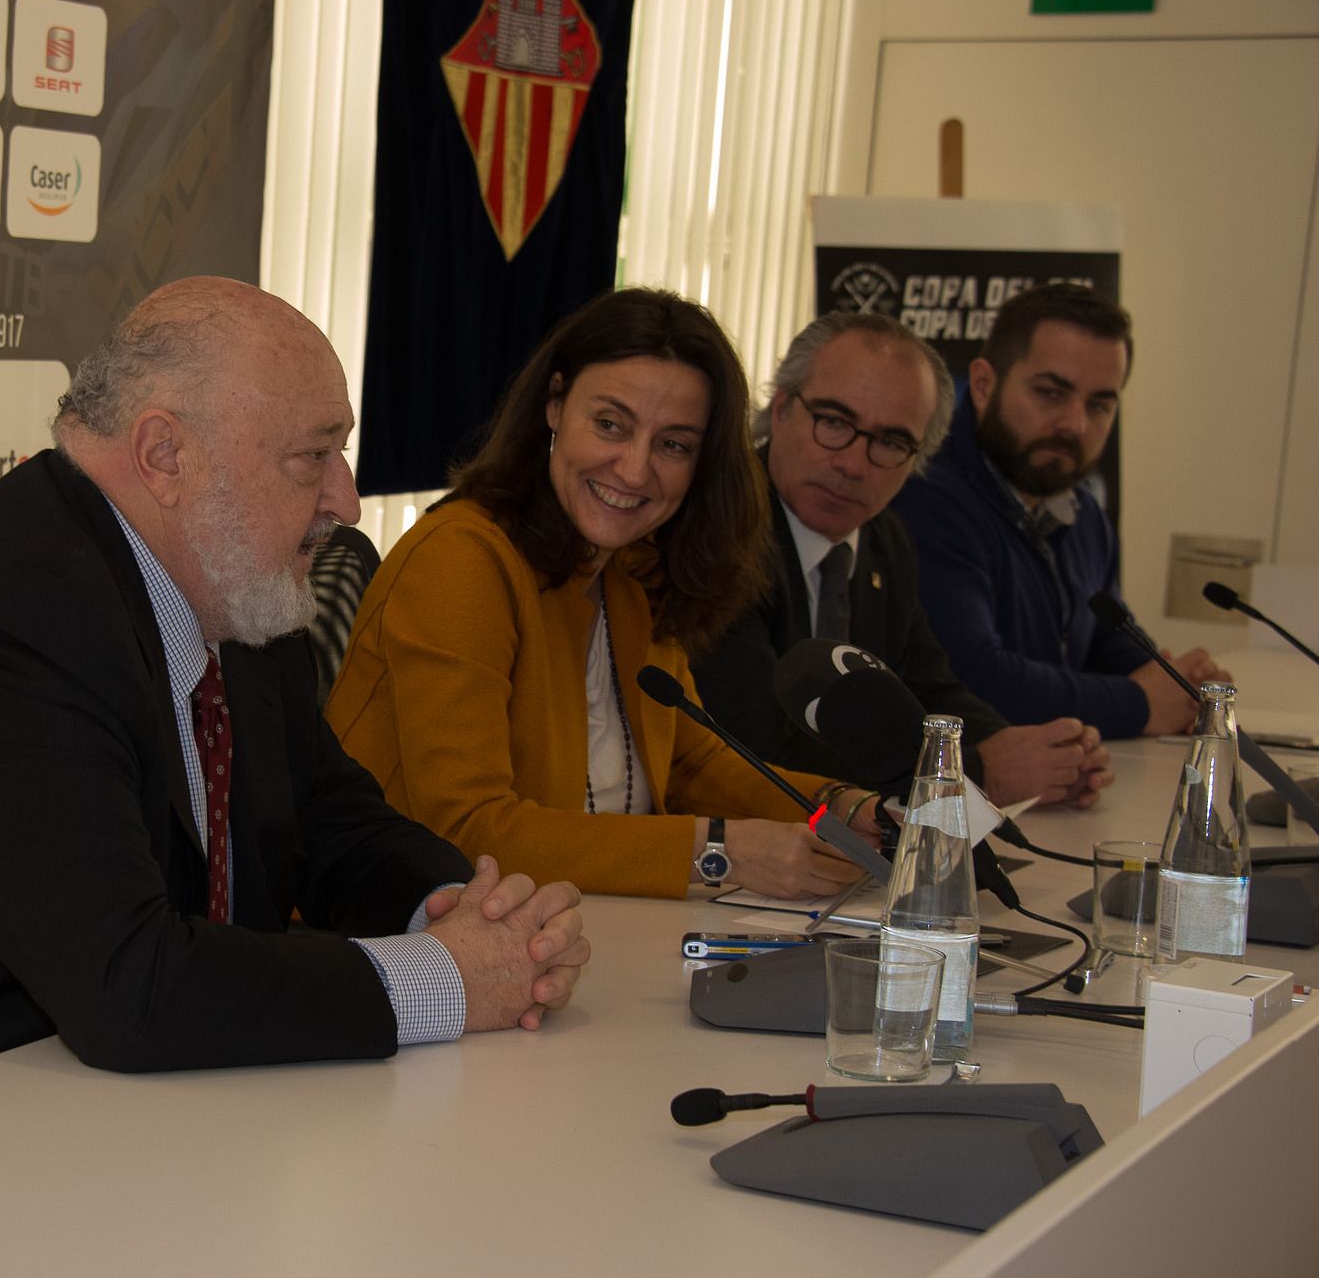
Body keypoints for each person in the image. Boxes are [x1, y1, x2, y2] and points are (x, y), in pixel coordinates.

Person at [0, 278, 590, 1132]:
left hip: (35, 1123)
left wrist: (463, 910)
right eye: (312, 455)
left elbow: (329, 822)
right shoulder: (2, 620)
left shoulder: (228, 586)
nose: (345, 495)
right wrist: (447, 982)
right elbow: (132, 983)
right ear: (165, 454)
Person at [326, 287, 877, 902]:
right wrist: (723, 853)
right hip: (398, 943)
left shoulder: (634, 569)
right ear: (555, 405)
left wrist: (840, 807)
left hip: (576, 929)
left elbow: (689, 764)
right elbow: (468, 829)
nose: (635, 469)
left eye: (673, 445)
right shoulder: (459, 560)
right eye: (611, 424)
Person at [692, 312, 1114, 808]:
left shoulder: (884, 539)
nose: (852, 465)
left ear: (918, 459)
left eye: (891, 442)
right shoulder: (718, 523)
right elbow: (759, 740)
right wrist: (977, 771)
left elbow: (929, 690)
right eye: (833, 422)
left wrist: (1041, 756)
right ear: (781, 407)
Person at [890, 283, 1225, 739]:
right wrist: (1140, 703)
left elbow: (1101, 640)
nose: (1076, 425)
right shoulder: (924, 498)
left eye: (1100, 404)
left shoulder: (1083, 513)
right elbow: (971, 678)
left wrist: (1177, 683)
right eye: (1051, 393)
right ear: (985, 385)